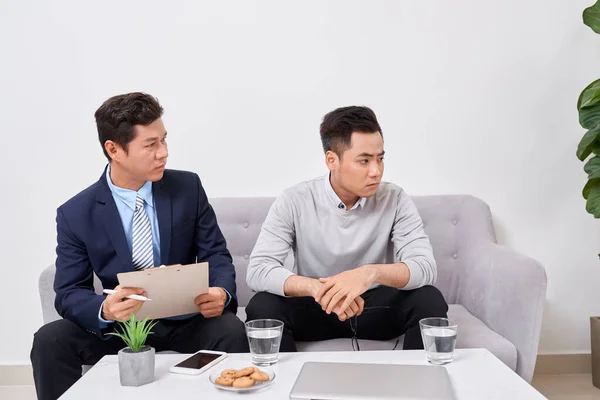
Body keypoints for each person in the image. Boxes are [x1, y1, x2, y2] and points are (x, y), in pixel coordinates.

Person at [30, 92, 249, 400]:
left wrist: (221, 292)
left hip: (186, 320)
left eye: (164, 140)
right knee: (50, 340)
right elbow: (68, 292)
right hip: (120, 328)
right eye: (150, 145)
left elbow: (216, 254)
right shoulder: (76, 213)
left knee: (231, 330)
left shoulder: (188, 188)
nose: (163, 153)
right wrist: (105, 308)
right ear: (114, 149)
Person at [245, 105, 448, 352]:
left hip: (372, 308)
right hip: (316, 305)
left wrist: (367, 274)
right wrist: (317, 288)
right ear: (332, 160)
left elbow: (425, 266)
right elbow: (258, 269)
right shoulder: (294, 200)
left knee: (429, 299)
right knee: (261, 306)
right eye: (364, 160)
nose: (376, 171)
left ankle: (419, 383)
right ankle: (284, 385)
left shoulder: (394, 198)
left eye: (380, 159)